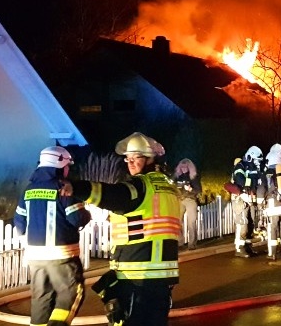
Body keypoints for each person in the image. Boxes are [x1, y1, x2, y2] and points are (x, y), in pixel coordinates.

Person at [59, 132, 180, 326]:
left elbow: (113, 195)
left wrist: (77, 188)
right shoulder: (168, 187)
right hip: (163, 277)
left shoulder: (141, 185)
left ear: (150, 159)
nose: (130, 163)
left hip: (137, 276)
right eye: (127, 158)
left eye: (136, 158)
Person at [14, 146, 91, 326]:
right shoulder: (64, 189)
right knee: (71, 293)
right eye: (66, 166)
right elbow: (77, 219)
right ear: (59, 166)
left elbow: (19, 224)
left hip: (35, 257)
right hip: (62, 256)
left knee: (41, 299)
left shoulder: (29, 190)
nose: (68, 170)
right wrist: (86, 215)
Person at [231, 146, 264, 258]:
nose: (257, 162)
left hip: (249, 199)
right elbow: (240, 179)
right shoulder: (240, 166)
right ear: (250, 157)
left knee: (250, 224)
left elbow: (257, 183)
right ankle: (239, 248)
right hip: (240, 198)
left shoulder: (254, 168)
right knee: (242, 223)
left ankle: (248, 247)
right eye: (255, 160)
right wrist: (245, 192)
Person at [173, 158, 200, 250]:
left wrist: (190, 189)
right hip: (180, 199)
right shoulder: (177, 177)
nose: (184, 168)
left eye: (186, 166)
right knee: (177, 221)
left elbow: (199, 190)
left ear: (190, 167)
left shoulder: (193, 177)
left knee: (191, 222)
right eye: (182, 166)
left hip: (190, 200)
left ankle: (192, 244)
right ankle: (180, 242)